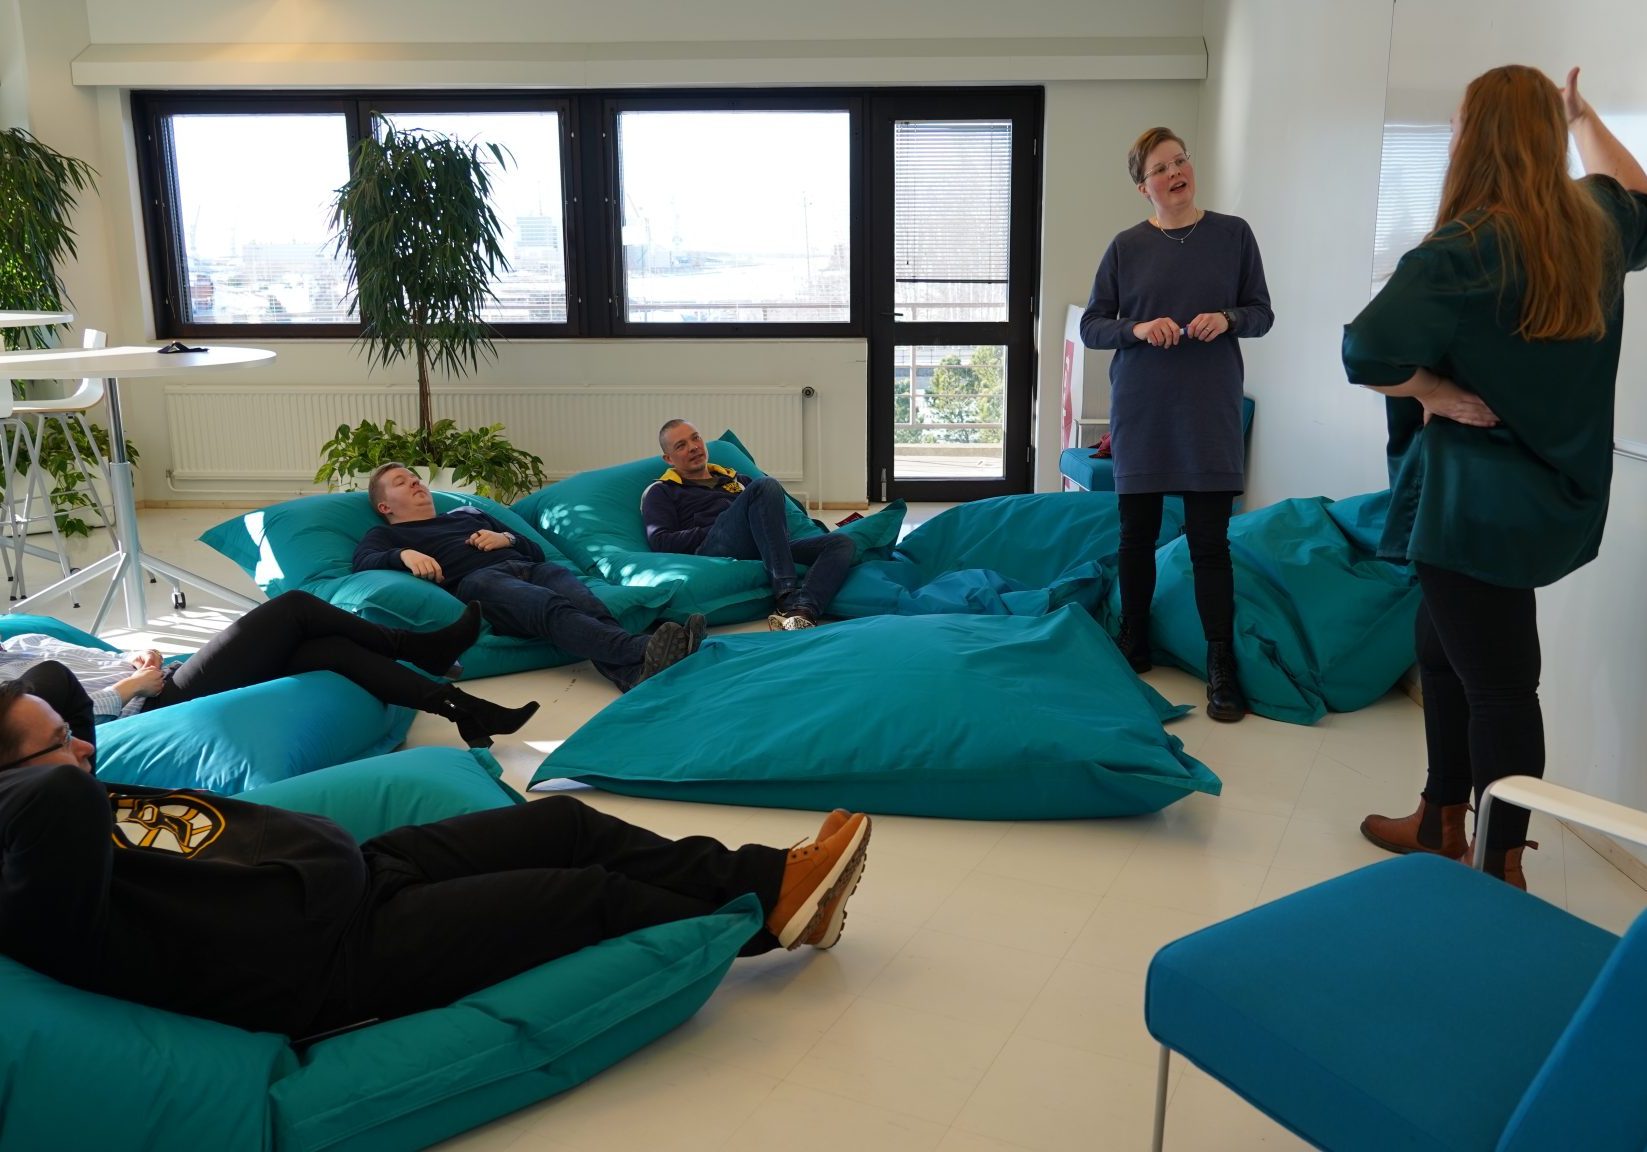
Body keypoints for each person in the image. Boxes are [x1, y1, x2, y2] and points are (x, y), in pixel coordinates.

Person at [0, 683, 871, 1038]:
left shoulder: (48, 785)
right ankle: (764, 921)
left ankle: (773, 881)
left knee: (564, 822)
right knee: (582, 894)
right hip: (325, 962)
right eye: (57, 744)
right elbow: (51, 795)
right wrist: (39, 768)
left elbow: (52, 692)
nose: (84, 749)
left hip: (358, 874)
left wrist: (44, 726)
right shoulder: (35, 864)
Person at [1344, 66, 1647, 888]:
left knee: (1502, 688)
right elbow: (1640, 190)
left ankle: (1498, 865)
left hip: (1466, 504)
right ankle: (1441, 815)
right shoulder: (1595, 225)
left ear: (1471, 138)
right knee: (1439, 650)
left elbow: (1364, 351)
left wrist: (1435, 393)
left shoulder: (1460, 249)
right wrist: (1580, 117)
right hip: (1546, 496)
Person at [1079, 127, 1274, 722]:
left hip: (1208, 412)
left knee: (1211, 544)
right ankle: (1133, 641)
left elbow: (1262, 315)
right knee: (1134, 536)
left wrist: (1227, 317)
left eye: (1181, 160)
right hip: (1142, 408)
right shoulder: (1124, 247)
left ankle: (1221, 663)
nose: (1176, 172)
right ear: (1145, 187)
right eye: (1161, 168)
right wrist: (1137, 329)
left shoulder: (1234, 235)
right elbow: (1092, 327)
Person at [0, 591, 533, 749]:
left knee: (327, 650)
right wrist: (132, 686)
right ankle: (417, 647)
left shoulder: (19, 637)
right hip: (158, 703)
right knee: (295, 608)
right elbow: (61, 713)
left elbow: (92, 656)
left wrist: (139, 658)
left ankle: (464, 710)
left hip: (162, 676)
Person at [354, 463, 703, 690]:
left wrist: (504, 538)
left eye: (415, 477)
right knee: (550, 606)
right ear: (385, 507)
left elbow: (533, 550)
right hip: (481, 583)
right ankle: (642, 646)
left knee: (587, 604)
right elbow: (363, 562)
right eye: (402, 482)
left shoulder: (468, 513)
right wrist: (404, 554)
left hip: (532, 567)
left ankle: (634, 674)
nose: (415, 482)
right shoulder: (388, 536)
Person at [641, 420, 854, 630]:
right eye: (681, 445)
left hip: (763, 544)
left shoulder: (738, 479)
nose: (693, 447)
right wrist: (716, 528)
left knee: (840, 543)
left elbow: (772, 521)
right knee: (766, 484)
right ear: (668, 458)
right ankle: (786, 594)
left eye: (695, 438)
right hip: (713, 546)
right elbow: (661, 541)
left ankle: (802, 610)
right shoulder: (661, 490)